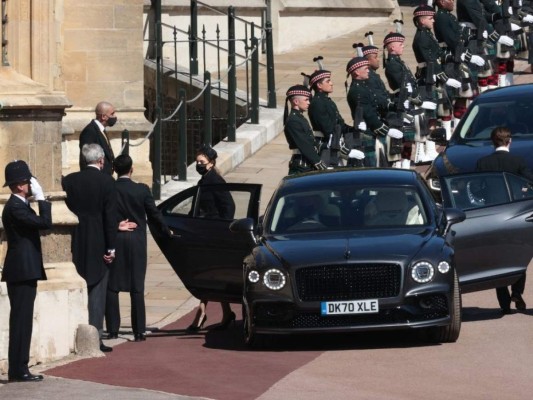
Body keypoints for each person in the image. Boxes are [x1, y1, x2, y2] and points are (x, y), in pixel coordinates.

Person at [105, 155, 173, 342]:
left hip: (116, 238)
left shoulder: (110, 189)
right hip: (136, 241)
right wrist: (167, 231)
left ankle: (112, 329)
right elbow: (154, 214)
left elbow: (106, 214)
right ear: (131, 169)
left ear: (115, 170)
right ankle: (139, 331)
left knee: (112, 286)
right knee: (137, 286)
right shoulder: (141, 190)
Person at [62, 143, 118, 352]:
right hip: (98, 239)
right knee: (97, 291)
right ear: (101, 160)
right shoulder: (107, 182)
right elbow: (110, 217)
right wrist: (111, 247)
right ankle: (95, 337)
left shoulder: (70, 181)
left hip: (75, 238)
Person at [2, 160, 51, 382]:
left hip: (24, 271)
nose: (33, 184)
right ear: (21, 185)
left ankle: (20, 366)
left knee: (23, 320)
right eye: (29, 181)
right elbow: (45, 223)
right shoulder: (15, 208)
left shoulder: (20, 205)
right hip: (21, 271)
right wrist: (42, 200)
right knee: (21, 320)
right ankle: (18, 369)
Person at [476, 126, 532, 314]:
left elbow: (476, 189)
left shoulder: (483, 163)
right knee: (517, 255)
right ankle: (517, 291)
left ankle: (504, 302)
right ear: (509, 142)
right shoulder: (517, 162)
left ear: (492, 142)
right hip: (515, 214)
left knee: (497, 259)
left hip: (492, 216)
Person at [186, 145, 236, 332]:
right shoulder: (205, 180)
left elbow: (228, 206)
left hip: (212, 234)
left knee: (207, 276)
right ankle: (226, 313)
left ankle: (200, 315)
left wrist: (220, 226)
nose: (198, 165)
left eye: (202, 162)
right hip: (203, 232)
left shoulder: (215, 181)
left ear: (211, 163)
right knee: (212, 277)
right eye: (197, 162)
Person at [306, 57, 365, 168]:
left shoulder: (327, 101)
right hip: (327, 146)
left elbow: (340, 125)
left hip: (335, 143)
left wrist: (355, 129)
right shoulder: (317, 103)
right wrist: (346, 151)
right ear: (319, 85)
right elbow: (328, 130)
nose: (332, 83)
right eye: (328, 81)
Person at [346, 54, 403, 167]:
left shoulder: (363, 86)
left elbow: (376, 102)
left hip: (373, 129)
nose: (368, 71)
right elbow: (368, 114)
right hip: (368, 131)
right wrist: (386, 130)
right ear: (357, 72)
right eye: (366, 69)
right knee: (373, 167)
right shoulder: (357, 91)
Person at [284, 84, 328, 175]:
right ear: (296, 101)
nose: (309, 103)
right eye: (306, 100)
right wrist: (319, 163)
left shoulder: (299, 118)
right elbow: (304, 145)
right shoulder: (293, 121)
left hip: (307, 163)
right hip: (301, 165)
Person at [79, 101, 117, 175]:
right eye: (112, 114)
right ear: (103, 116)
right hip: (97, 178)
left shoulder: (101, 130)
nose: (114, 116)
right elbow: (87, 158)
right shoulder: (90, 131)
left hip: (105, 177)